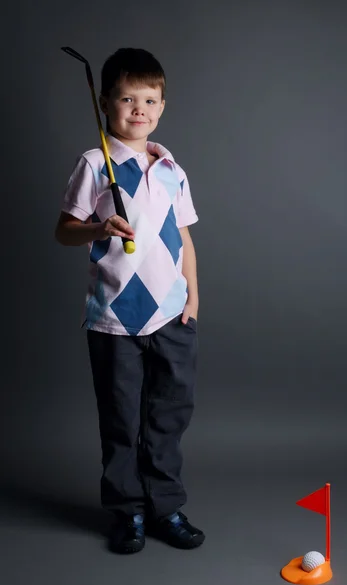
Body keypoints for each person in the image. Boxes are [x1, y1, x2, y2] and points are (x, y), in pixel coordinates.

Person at [55, 47, 204, 554]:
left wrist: (194, 297)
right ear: (105, 104)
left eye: (149, 99)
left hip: (170, 313)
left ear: (162, 107)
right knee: (121, 418)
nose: (138, 109)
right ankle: (127, 512)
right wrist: (99, 226)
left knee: (168, 414)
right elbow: (64, 231)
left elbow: (183, 238)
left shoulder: (171, 168)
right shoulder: (94, 163)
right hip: (114, 317)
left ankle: (164, 506)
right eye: (126, 98)